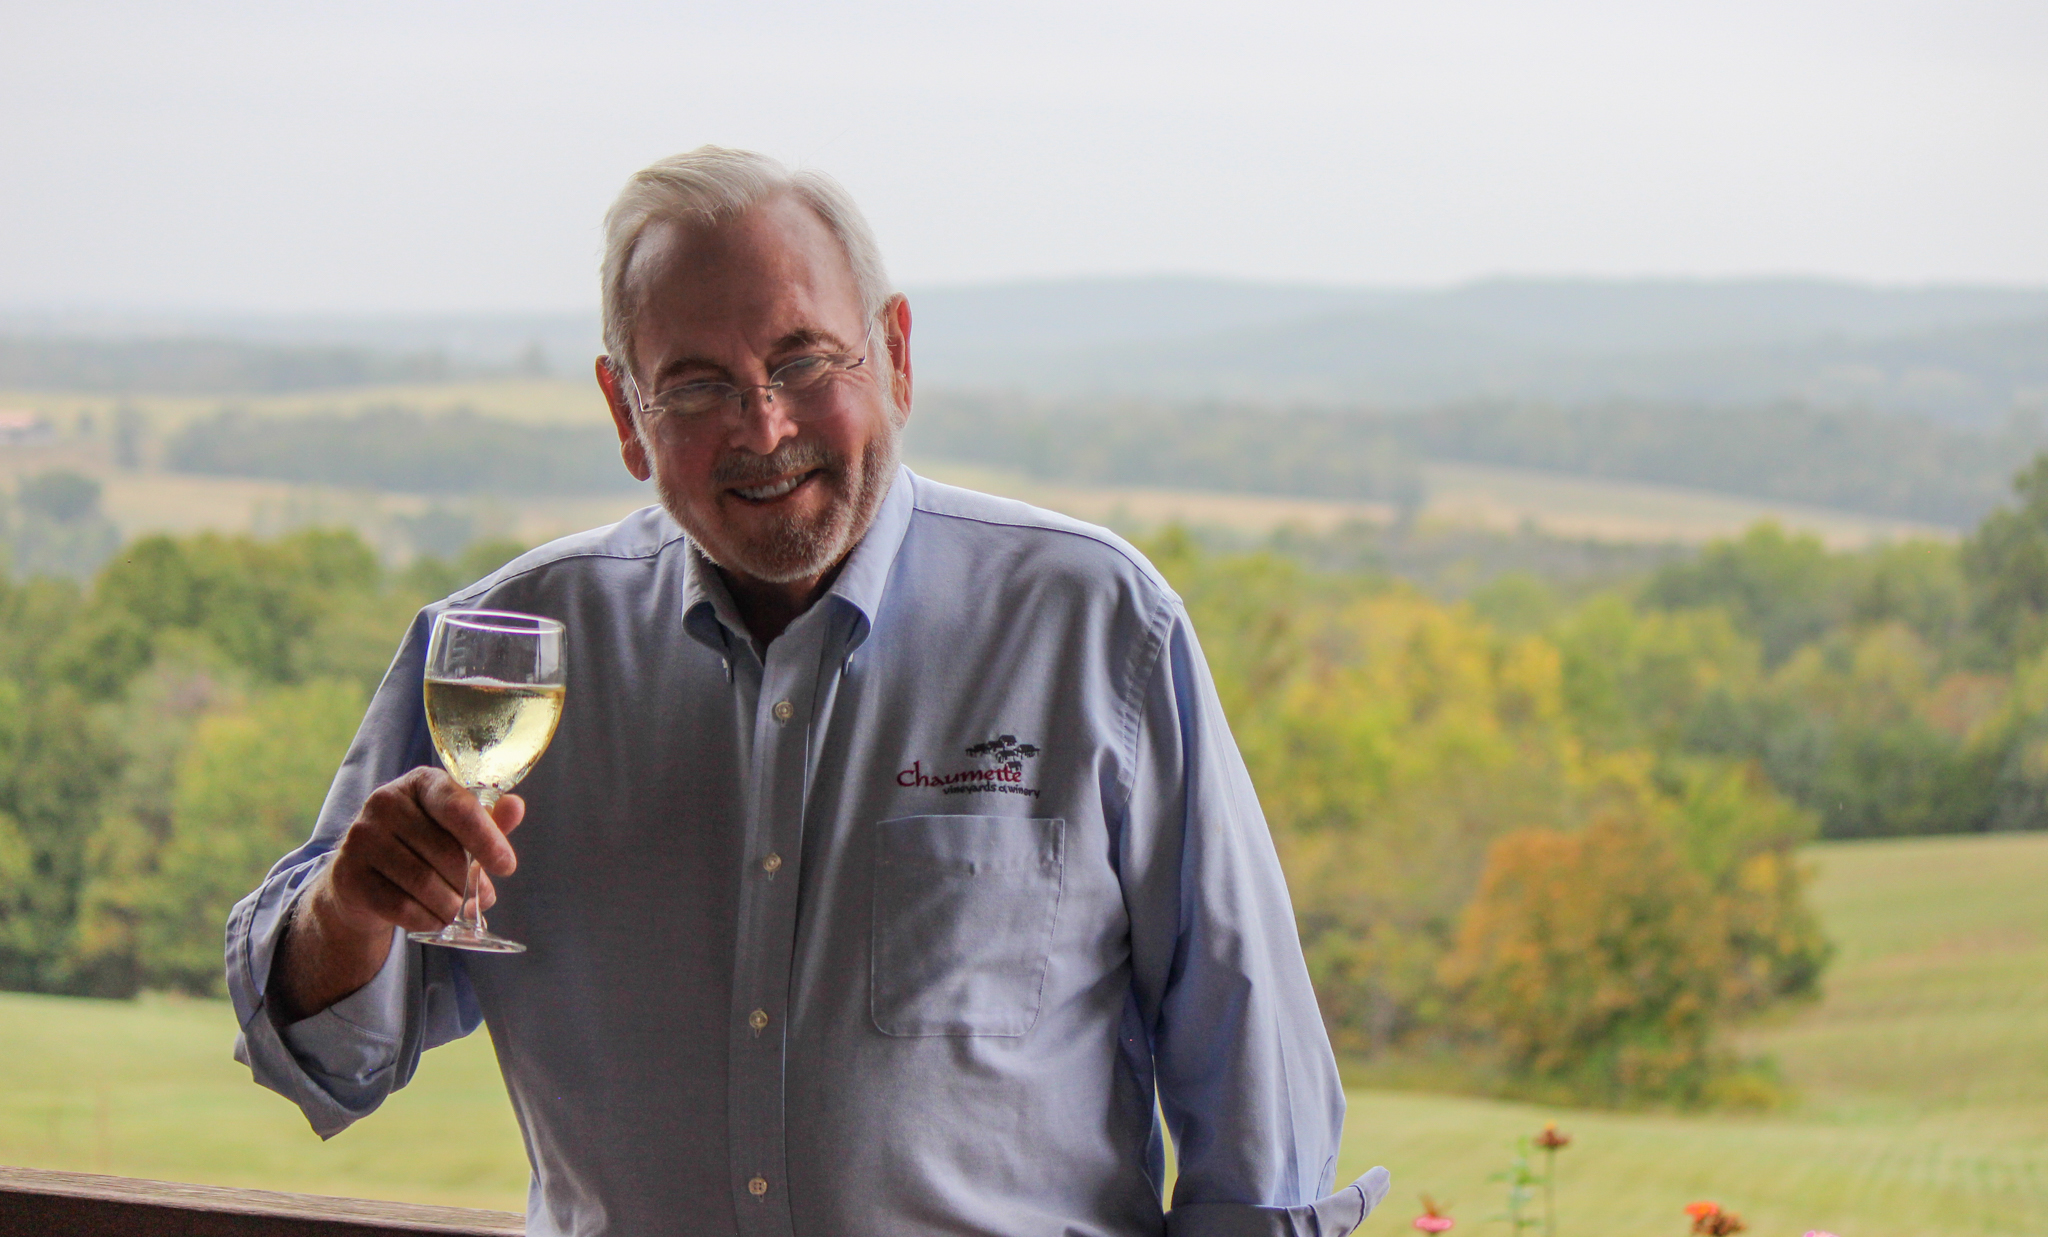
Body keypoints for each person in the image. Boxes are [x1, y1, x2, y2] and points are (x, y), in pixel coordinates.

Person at [228, 147, 1390, 1236]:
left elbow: (1259, 1127)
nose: (764, 426)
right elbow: (319, 1050)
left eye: (801, 362)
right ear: (625, 415)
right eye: (696, 387)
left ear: (893, 355)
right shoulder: (509, 646)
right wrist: (353, 906)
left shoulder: (1093, 626)